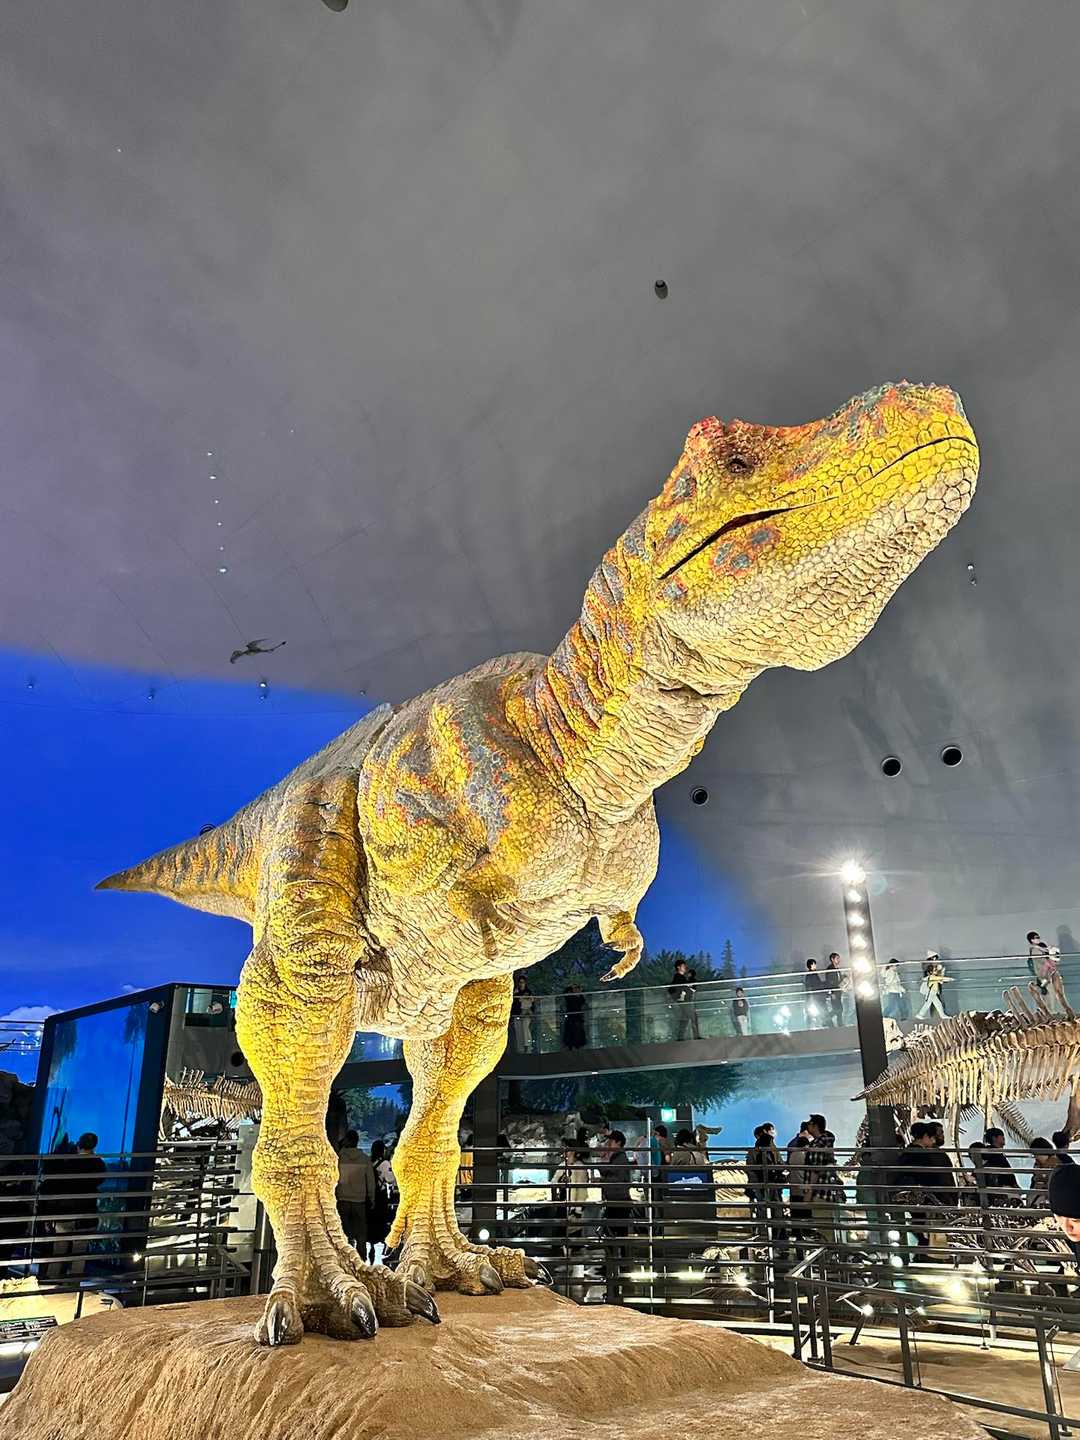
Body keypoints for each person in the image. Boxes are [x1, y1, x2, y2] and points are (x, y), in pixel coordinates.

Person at [39, 1133, 107, 1280]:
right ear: (94, 1146)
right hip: (86, 1214)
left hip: (65, 1213)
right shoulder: (99, 1165)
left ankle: (52, 1282)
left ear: (78, 1144)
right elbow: (99, 1180)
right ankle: (73, 1286)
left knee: (59, 1251)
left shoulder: (67, 1163)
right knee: (79, 1255)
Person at [897, 1121, 957, 1262]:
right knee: (929, 1231)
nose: (933, 1141)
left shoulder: (906, 1154)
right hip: (927, 1199)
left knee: (923, 1230)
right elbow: (933, 1178)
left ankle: (924, 1256)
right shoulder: (923, 1155)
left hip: (915, 1200)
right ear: (925, 1136)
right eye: (931, 1137)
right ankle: (929, 1257)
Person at [598, 1130, 633, 1301]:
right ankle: (619, 1267)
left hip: (618, 1202)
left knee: (614, 1235)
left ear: (618, 1142)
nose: (608, 1145)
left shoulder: (619, 1157)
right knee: (618, 1235)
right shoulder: (619, 1157)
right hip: (619, 1202)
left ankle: (616, 1266)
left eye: (611, 1142)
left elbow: (606, 1171)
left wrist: (603, 1160)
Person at [336, 1129, 375, 1253]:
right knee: (361, 1232)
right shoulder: (365, 1159)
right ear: (357, 1141)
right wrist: (372, 1198)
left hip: (342, 1199)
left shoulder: (338, 1159)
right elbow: (370, 1181)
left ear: (346, 1141)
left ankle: (345, 1255)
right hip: (359, 1200)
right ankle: (361, 1256)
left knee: (343, 1232)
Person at [367, 1138, 395, 1261]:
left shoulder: (368, 1162)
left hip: (369, 1196)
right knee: (381, 1219)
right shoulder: (385, 1164)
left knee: (371, 1219)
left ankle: (371, 1244)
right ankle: (382, 1246)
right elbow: (390, 1179)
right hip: (381, 1196)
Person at [669, 959, 701, 1040]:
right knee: (693, 1017)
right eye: (683, 966)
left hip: (683, 1001)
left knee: (685, 1019)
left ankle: (680, 1037)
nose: (685, 967)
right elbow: (682, 988)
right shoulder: (678, 977)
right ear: (678, 967)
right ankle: (696, 1036)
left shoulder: (680, 977)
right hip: (685, 1001)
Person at [1027, 1137, 1059, 1207]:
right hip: (1039, 1194)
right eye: (1034, 1155)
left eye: (1035, 1154)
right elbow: (1034, 1180)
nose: (1035, 1157)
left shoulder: (1057, 1163)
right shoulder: (1037, 1164)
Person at [916, 955, 950, 1020]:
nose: (935, 961)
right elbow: (939, 978)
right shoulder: (930, 970)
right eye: (933, 959)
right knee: (929, 1004)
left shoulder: (936, 969)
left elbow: (940, 979)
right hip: (930, 991)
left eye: (936, 959)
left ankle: (942, 1015)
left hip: (934, 990)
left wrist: (941, 971)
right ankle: (920, 1014)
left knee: (937, 1004)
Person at [510, 972, 535, 1052]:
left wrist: (530, 1012)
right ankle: (520, 1049)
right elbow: (514, 1004)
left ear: (525, 983)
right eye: (520, 982)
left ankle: (528, 1046)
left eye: (522, 982)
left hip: (526, 1013)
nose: (521, 984)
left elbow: (532, 1003)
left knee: (525, 1028)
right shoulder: (515, 992)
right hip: (517, 1014)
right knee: (518, 1031)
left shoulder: (528, 992)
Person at [562, 985, 587, 1050]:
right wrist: (570, 987)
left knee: (577, 1031)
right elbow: (565, 993)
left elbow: (583, 1002)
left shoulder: (580, 997)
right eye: (576, 989)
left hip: (577, 1017)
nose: (577, 990)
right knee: (571, 1031)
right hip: (572, 1017)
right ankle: (571, 1045)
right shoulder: (570, 997)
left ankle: (577, 1045)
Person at [823, 954, 845, 1027]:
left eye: (839, 958)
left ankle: (840, 1024)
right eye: (837, 958)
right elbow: (829, 982)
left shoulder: (837, 969)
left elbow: (838, 979)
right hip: (834, 992)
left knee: (839, 1009)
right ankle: (826, 1019)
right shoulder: (830, 969)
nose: (838, 960)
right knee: (837, 1009)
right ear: (832, 959)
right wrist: (832, 993)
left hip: (838, 991)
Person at [803, 959, 825, 1029]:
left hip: (815, 996)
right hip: (815, 997)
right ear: (811, 965)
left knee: (816, 1012)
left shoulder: (811, 974)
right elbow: (814, 985)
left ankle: (815, 1025)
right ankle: (817, 1025)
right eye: (814, 964)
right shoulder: (811, 975)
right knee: (818, 1011)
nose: (815, 965)